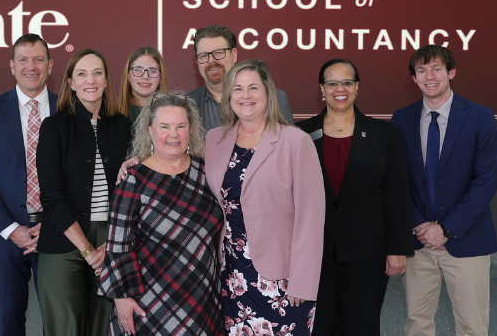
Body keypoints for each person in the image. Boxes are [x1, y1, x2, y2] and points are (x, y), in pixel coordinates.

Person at [204, 59, 325, 336]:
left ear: (268, 94)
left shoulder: (295, 141)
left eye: (253, 87)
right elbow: (177, 161)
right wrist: (137, 160)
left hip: (283, 280)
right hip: (231, 276)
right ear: (228, 96)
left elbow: (311, 218)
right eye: (237, 89)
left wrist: (302, 283)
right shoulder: (214, 140)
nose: (245, 95)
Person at [296, 59, 414, 336]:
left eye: (347, 82)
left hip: (367, 252)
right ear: (321, 89)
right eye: (332, 83)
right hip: (315, 252)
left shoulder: (382, 133)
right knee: (319, 327)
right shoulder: (300, 134)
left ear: (357, 87)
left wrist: (397, 249)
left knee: (361, 325)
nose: (340, 88)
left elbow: (396, 193)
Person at [391, 45, 497, 336]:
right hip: (418, 242)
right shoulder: (401, 120)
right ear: (413, 78)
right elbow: (396, 181)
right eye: (421, 70)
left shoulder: (480, 117)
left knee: (472, 325)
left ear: (451, 72)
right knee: (417, 323)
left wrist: (447, 229)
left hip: (467, 240)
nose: (429, 76)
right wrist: (420, 225)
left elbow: (486, 181)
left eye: (437, 68)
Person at [100, 93, 225, 336]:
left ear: (191, 128)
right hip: (151, 303)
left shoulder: (208, 172)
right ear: (150, 129)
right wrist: (122, 297)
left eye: (181, 126)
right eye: (164, 127)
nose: (174, 134)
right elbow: (117, 246)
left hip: (203, 297)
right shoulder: (133, 180)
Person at [35, 49, 132, 335]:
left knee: (105, 328)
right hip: (65, 240)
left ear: (106, 81)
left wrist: (111, 245)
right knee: (66, 328)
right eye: (82, 73)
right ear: (71, 83)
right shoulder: (54, 127)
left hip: (111, 240)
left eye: (97, 72)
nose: (91, 80)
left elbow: (131, 194)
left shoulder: (122, 126)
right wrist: (88, 249)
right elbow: (51, 196)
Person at [0, 33, 56, 335]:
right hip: (4, 237)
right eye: (23, 59)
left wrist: (55, 223)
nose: (31, 66)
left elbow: (77, 177)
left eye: (39, 59)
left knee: (58, 321)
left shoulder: (68, 109)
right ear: (12, 66)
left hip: (58, 234)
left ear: (50, 65)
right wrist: (11, 229)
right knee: (7, 320)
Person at [187, 25, 295, 131]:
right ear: (197, 61)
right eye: (203, 56)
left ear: (234, 55)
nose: (211, 60)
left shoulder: (274, 98)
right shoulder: (186, 104)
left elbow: (289, 146)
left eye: (218, 53)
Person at [116, 46, 168, 124]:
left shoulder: (173, 114)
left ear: (161, 77)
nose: (145, 76)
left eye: (152, 71)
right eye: (138, 70)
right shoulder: (112, 114)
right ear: (128, 75)